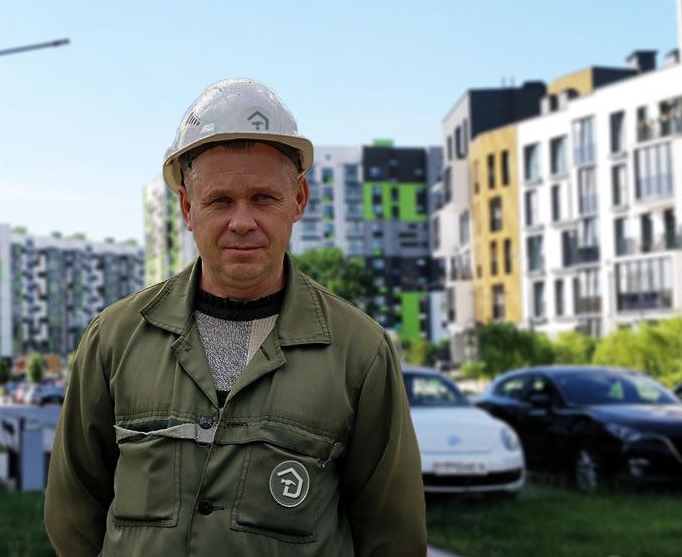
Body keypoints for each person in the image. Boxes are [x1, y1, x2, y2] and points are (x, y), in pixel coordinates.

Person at [44, 78, 426, 556]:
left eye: (263, 198)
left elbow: (392, 535)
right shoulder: (116, 339)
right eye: (220, 200)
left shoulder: (360, 352)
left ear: (298, 201)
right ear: (187, 207)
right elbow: (73, 513)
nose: (241, 221)